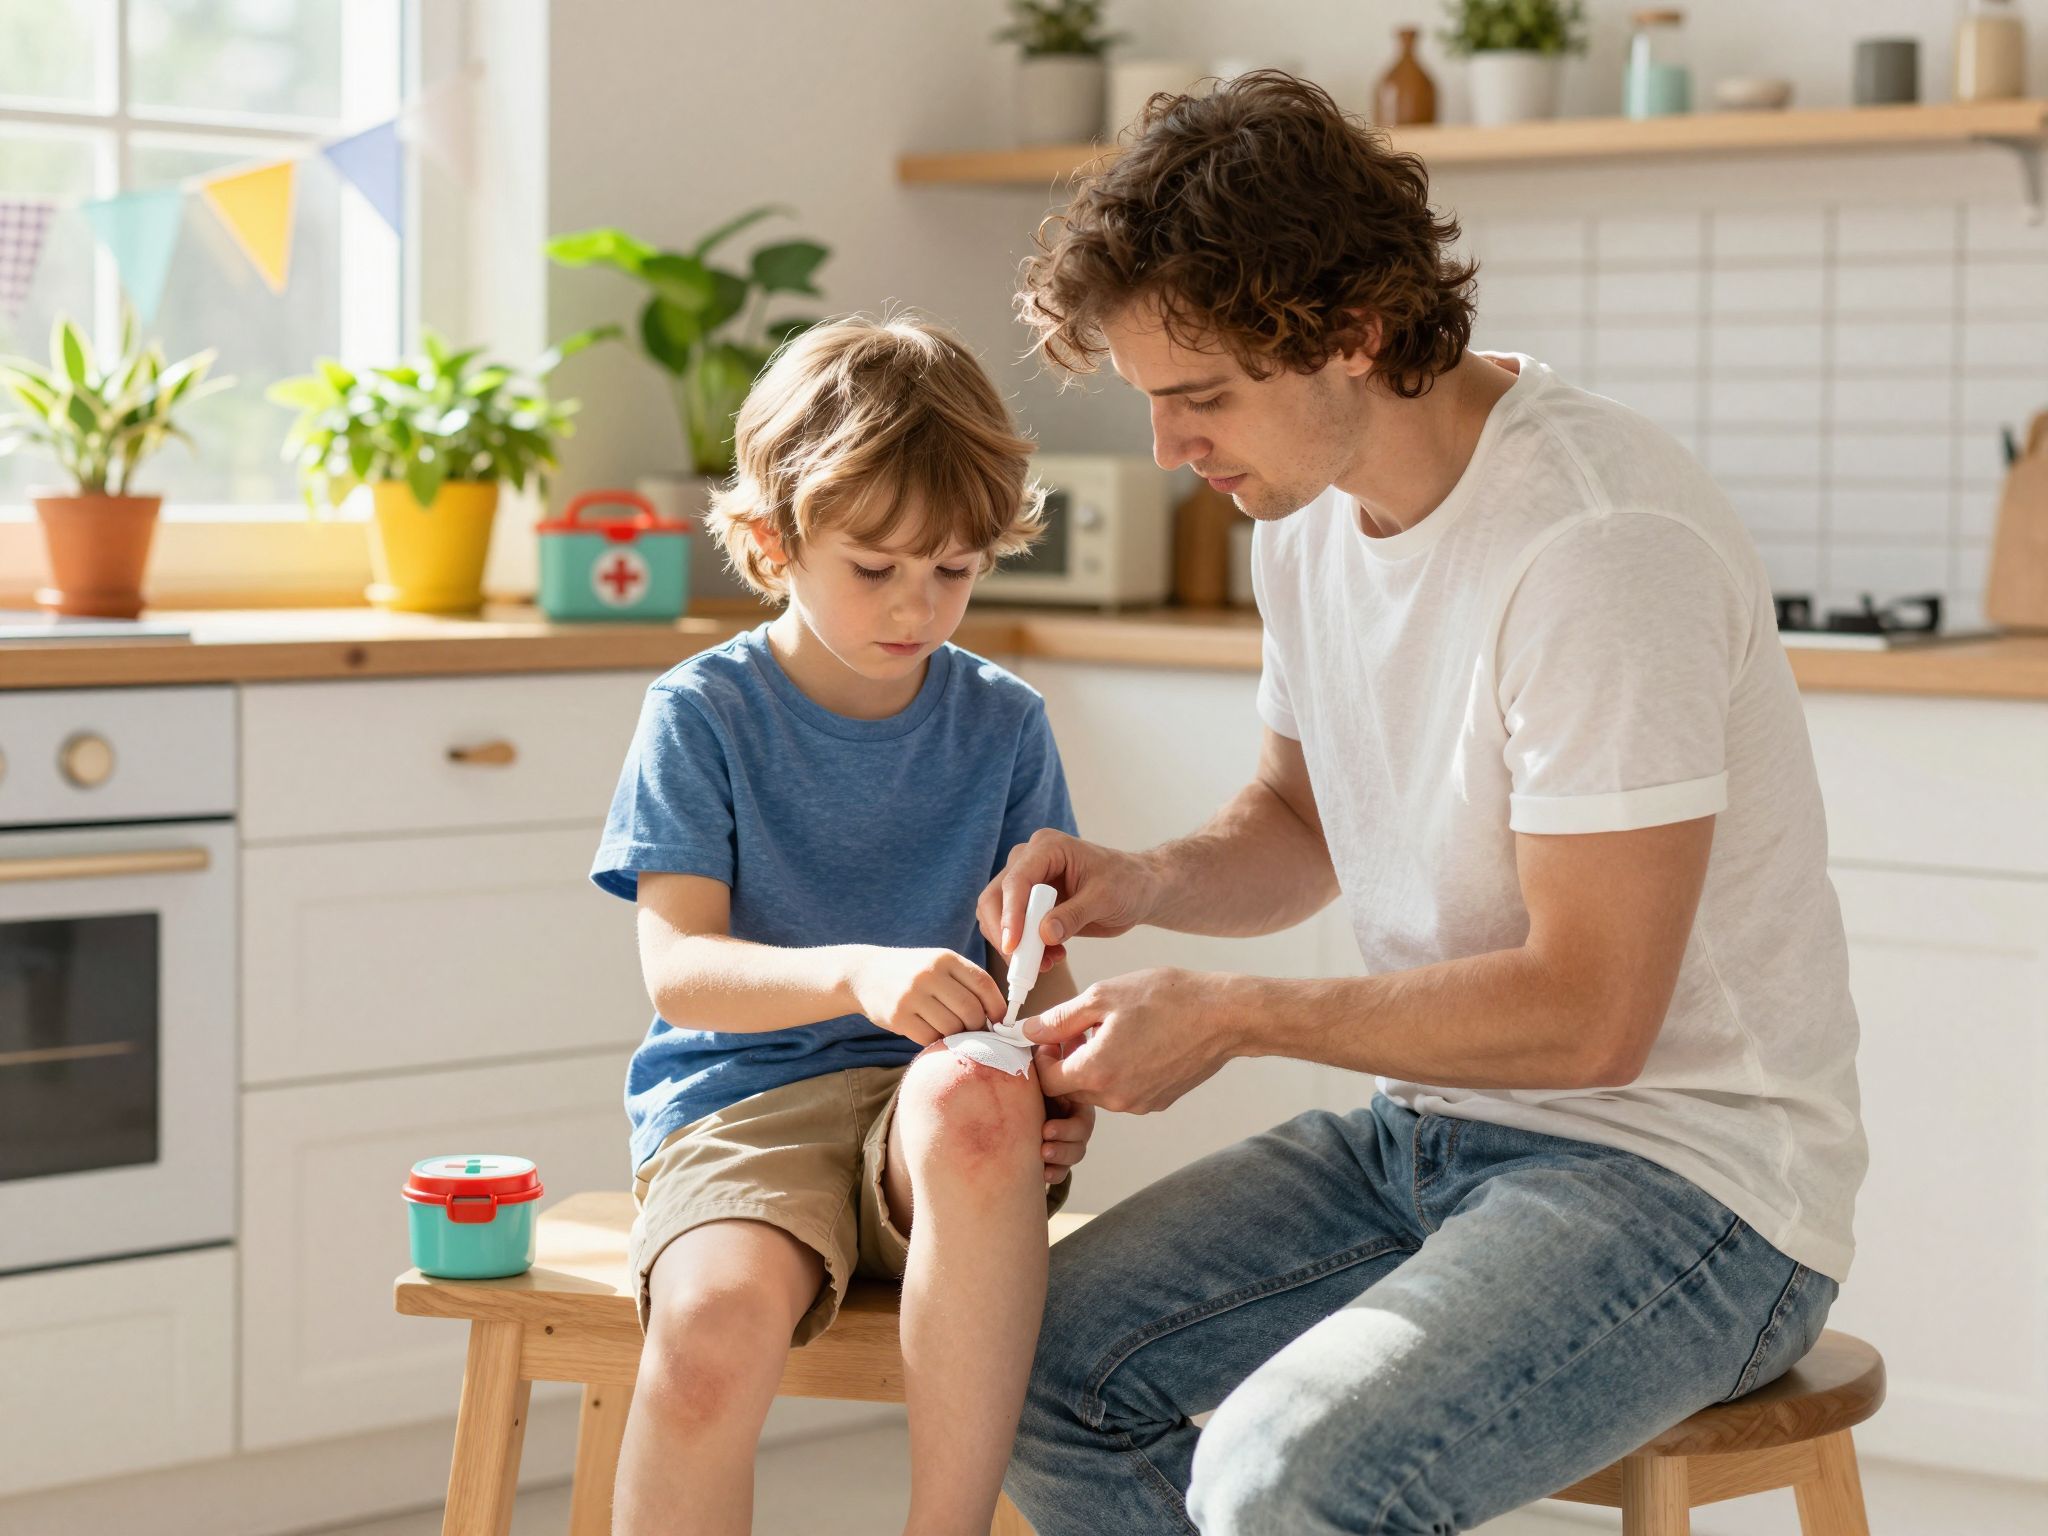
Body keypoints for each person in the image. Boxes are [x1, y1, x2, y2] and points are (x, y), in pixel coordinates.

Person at [990, 72, 1867, 1535]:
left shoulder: (1596, 543)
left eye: (1200, 397)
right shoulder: (1305, 517)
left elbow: (1591, 1017)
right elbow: (1301, 822)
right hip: (1429, 1142)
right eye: (1154, 400)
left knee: (1284, 1478)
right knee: (1029, 1362)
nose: (1169, 450)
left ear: (1353, 329)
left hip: (1690, 1190)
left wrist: (1239, 1013)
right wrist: (1141, 878)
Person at [591, 314, 1095, 1536]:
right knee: (709, 1337)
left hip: (941, 1126)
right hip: (743, 1110)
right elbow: (683, 974)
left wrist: (1065, 1070)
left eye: (955, 570)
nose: (918, 606)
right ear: (772, 543)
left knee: (975, 1104)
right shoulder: (701, 714)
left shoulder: (1004, 723)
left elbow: (1041, 970)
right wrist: (861, 972)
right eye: (876, 569)